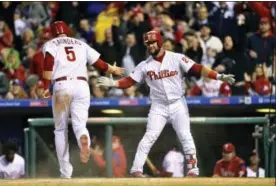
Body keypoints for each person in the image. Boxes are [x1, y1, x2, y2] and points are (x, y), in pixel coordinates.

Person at [97, 30, 235, 177]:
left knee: (185, 136)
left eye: (152, 42)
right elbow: (129, 81)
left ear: (160, 42)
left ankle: (193, 170)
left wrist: (218, 76)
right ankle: (136, 169)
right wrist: (114, 83)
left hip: (177, 103)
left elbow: (198, 68)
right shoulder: (145, 65)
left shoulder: (176, 58)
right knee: (149, 136)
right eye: (147, 43)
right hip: (158, 106)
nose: (150, 46)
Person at [42, 21, 124, 178]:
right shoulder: (80, 43)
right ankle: (82, 139)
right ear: (68, 30)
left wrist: (46, 86)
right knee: (80, 126)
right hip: (82, 86)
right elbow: (99, 63)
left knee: (60, 130)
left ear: (54, 33)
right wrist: (112, 69)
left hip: (62, 85)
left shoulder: (51, 43)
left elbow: (48, 65)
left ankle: (65, 173)